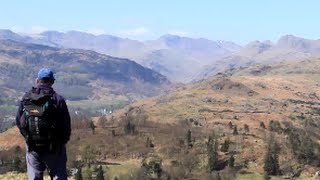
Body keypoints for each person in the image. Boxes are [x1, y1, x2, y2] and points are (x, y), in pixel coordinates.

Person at [16, 68, 71, 180]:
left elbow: (19, 121)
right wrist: (61, 142)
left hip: (32, 145)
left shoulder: (26, 98)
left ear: (37, 80)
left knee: (34, 177)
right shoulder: (57, 99)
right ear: (52, 81)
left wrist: (28, 137)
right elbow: (66, 125)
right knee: (58, 176)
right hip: (54, 146)